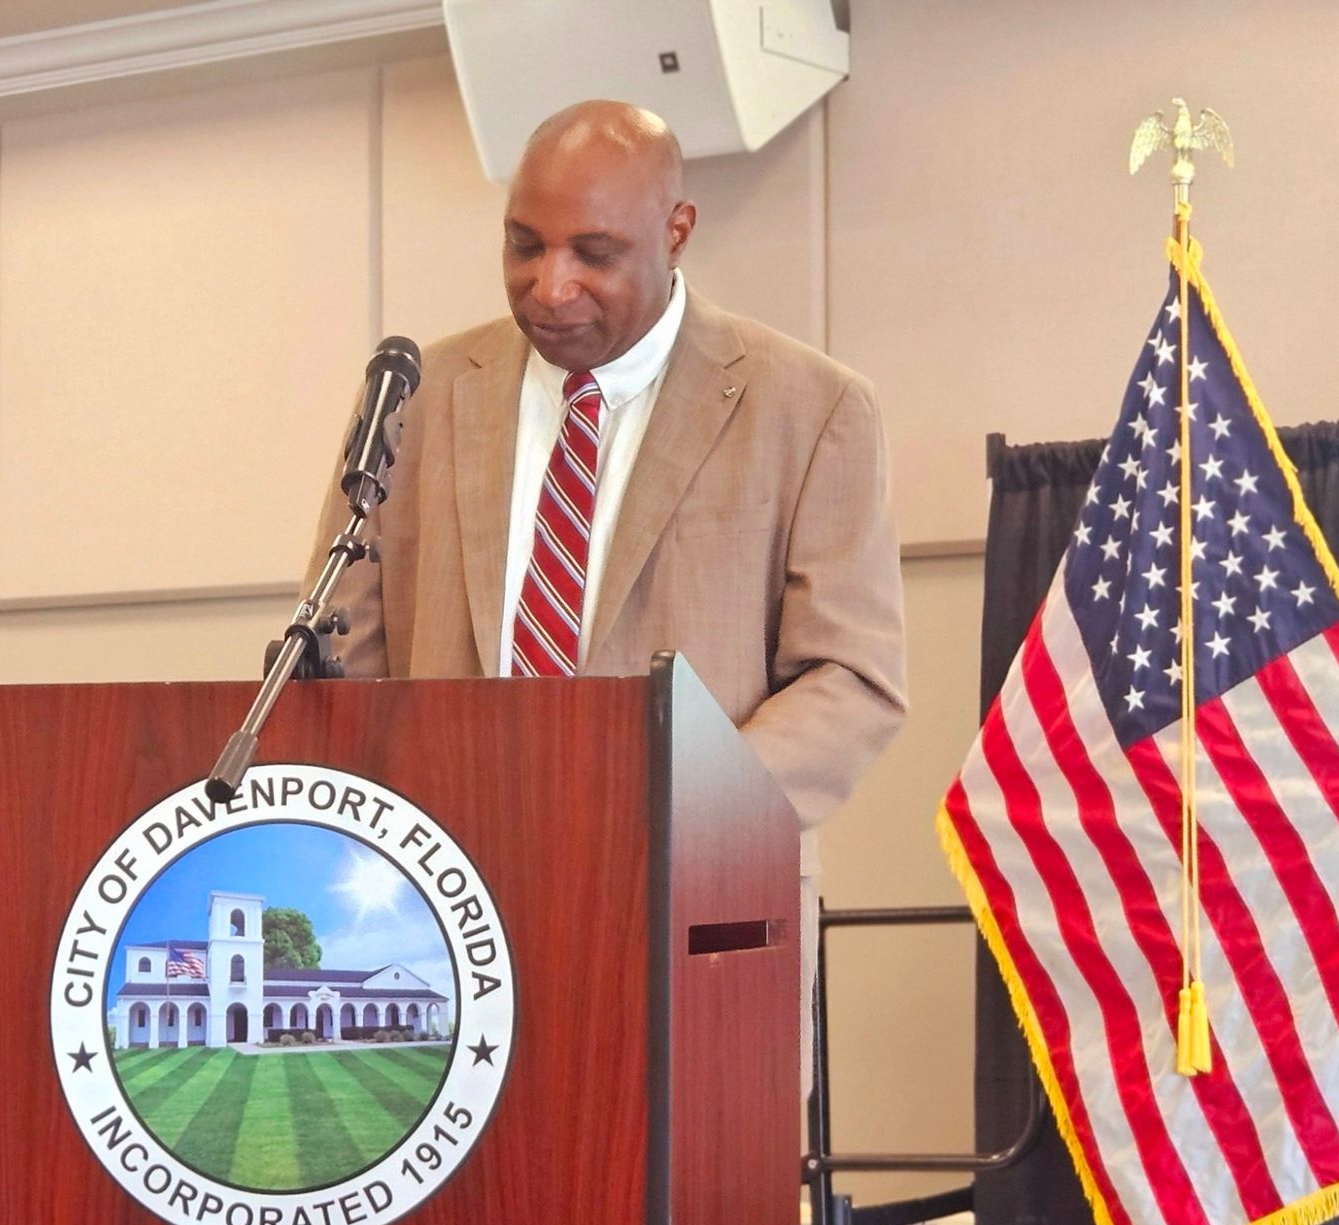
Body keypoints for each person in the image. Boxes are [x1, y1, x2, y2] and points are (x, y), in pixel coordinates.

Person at [307, 100, 906, 1082]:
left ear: (676, 232)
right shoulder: (417, 393)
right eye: (523, 247)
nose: (552, 288)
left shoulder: (811, 407)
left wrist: (667, 815)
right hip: (441, 916)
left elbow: (852, 677)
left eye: (593, 252)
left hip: (690, 901)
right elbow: (345, 656)